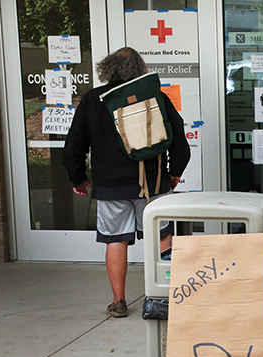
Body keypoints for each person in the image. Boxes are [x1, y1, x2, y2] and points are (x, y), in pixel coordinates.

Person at [63, 47, 190, 318]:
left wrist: (78, 178)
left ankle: (119, 301)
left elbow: (74, 144)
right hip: (154, 183)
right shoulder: (155, 96)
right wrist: (175, 172)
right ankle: (165, 298)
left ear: (107, 70)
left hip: (110, 186)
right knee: (162, 237)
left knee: (115, 240)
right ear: (139, 69)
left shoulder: (93, 100)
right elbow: (178, 137)